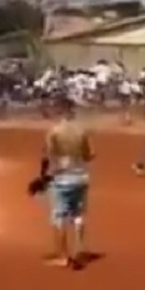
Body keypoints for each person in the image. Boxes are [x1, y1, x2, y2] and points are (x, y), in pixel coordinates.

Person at [41, 96, 95, 267]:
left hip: (62, 178)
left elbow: (48, 156)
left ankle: (63, 256)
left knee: (60, 216)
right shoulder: (81, 131)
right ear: (73, 111)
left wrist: (43, 176)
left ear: (59, 111)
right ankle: (79, 250)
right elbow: (89, 155)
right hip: (81, 177)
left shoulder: (54, 132)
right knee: (78, 215)